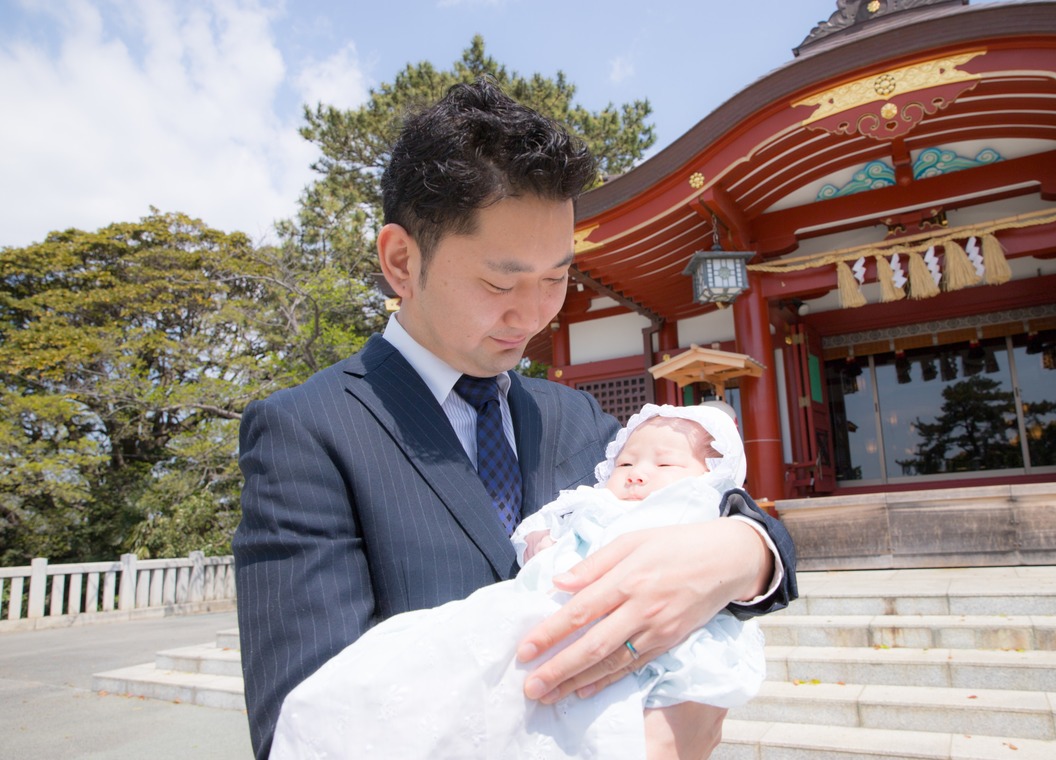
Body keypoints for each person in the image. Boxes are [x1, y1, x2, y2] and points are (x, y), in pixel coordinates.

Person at [233, 76, 797, 760]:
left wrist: (743, 554)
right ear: (402, 261)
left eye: (556, 278)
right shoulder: (307, 432)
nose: (533, 316)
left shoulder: (575, 418)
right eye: (500, 282)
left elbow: (727, 506)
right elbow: (301, 728)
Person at [269, 404, 784, 759]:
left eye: (664, 464)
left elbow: (754, 527)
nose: (635, 472)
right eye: (626, 462)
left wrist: (749, 551)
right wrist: (541, 540)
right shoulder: (304, 422)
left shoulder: (586, 417)